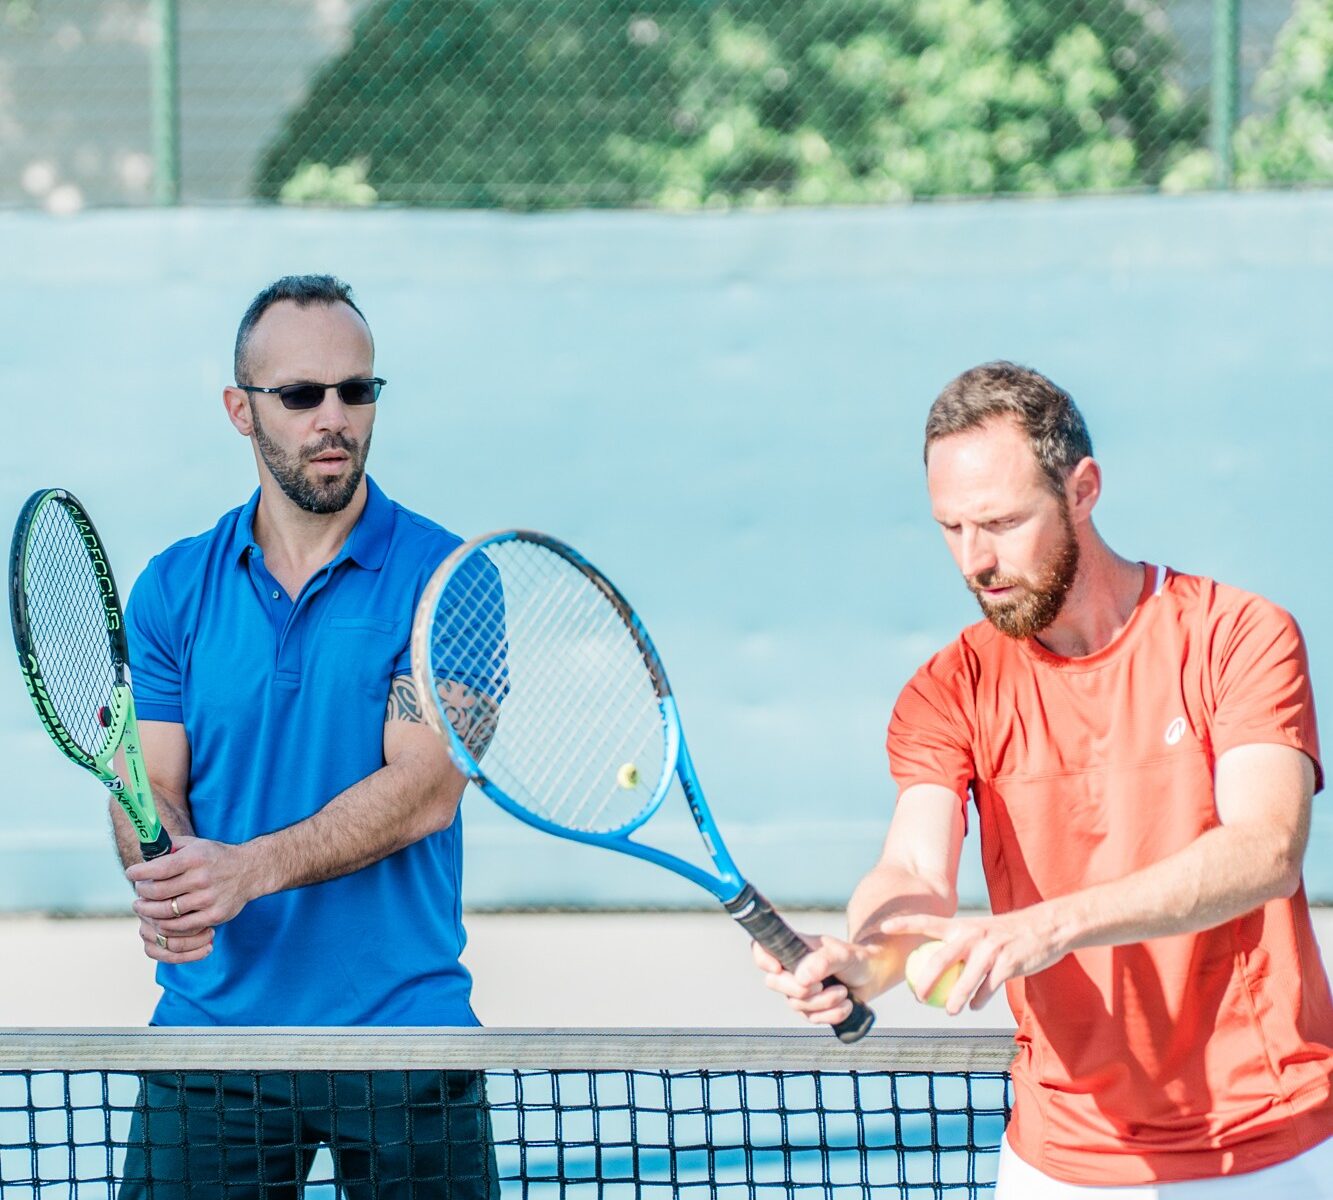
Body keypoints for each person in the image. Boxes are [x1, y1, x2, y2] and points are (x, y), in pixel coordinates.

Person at [754, 362, 1333, 1197]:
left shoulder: (1236, 635)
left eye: (1000, 522)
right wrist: (866, 956)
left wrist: (1046, 928)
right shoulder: (948, 687)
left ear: (1083, 489)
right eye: (949, 528)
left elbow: (1264, 849)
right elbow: (914, 871)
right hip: (1055, 1159)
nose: (974, 560)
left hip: (1269, 1147)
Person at [112, 274, 499, 1198]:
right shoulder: (171, 588)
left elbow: (426, 790)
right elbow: (148, 783)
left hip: (407, 1039)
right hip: (214, 1043)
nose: (334, 417)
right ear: (240, 411)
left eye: (356, 391)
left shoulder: (451, 579)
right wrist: (163, 876)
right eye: (300, 395)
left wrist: (245, 870)